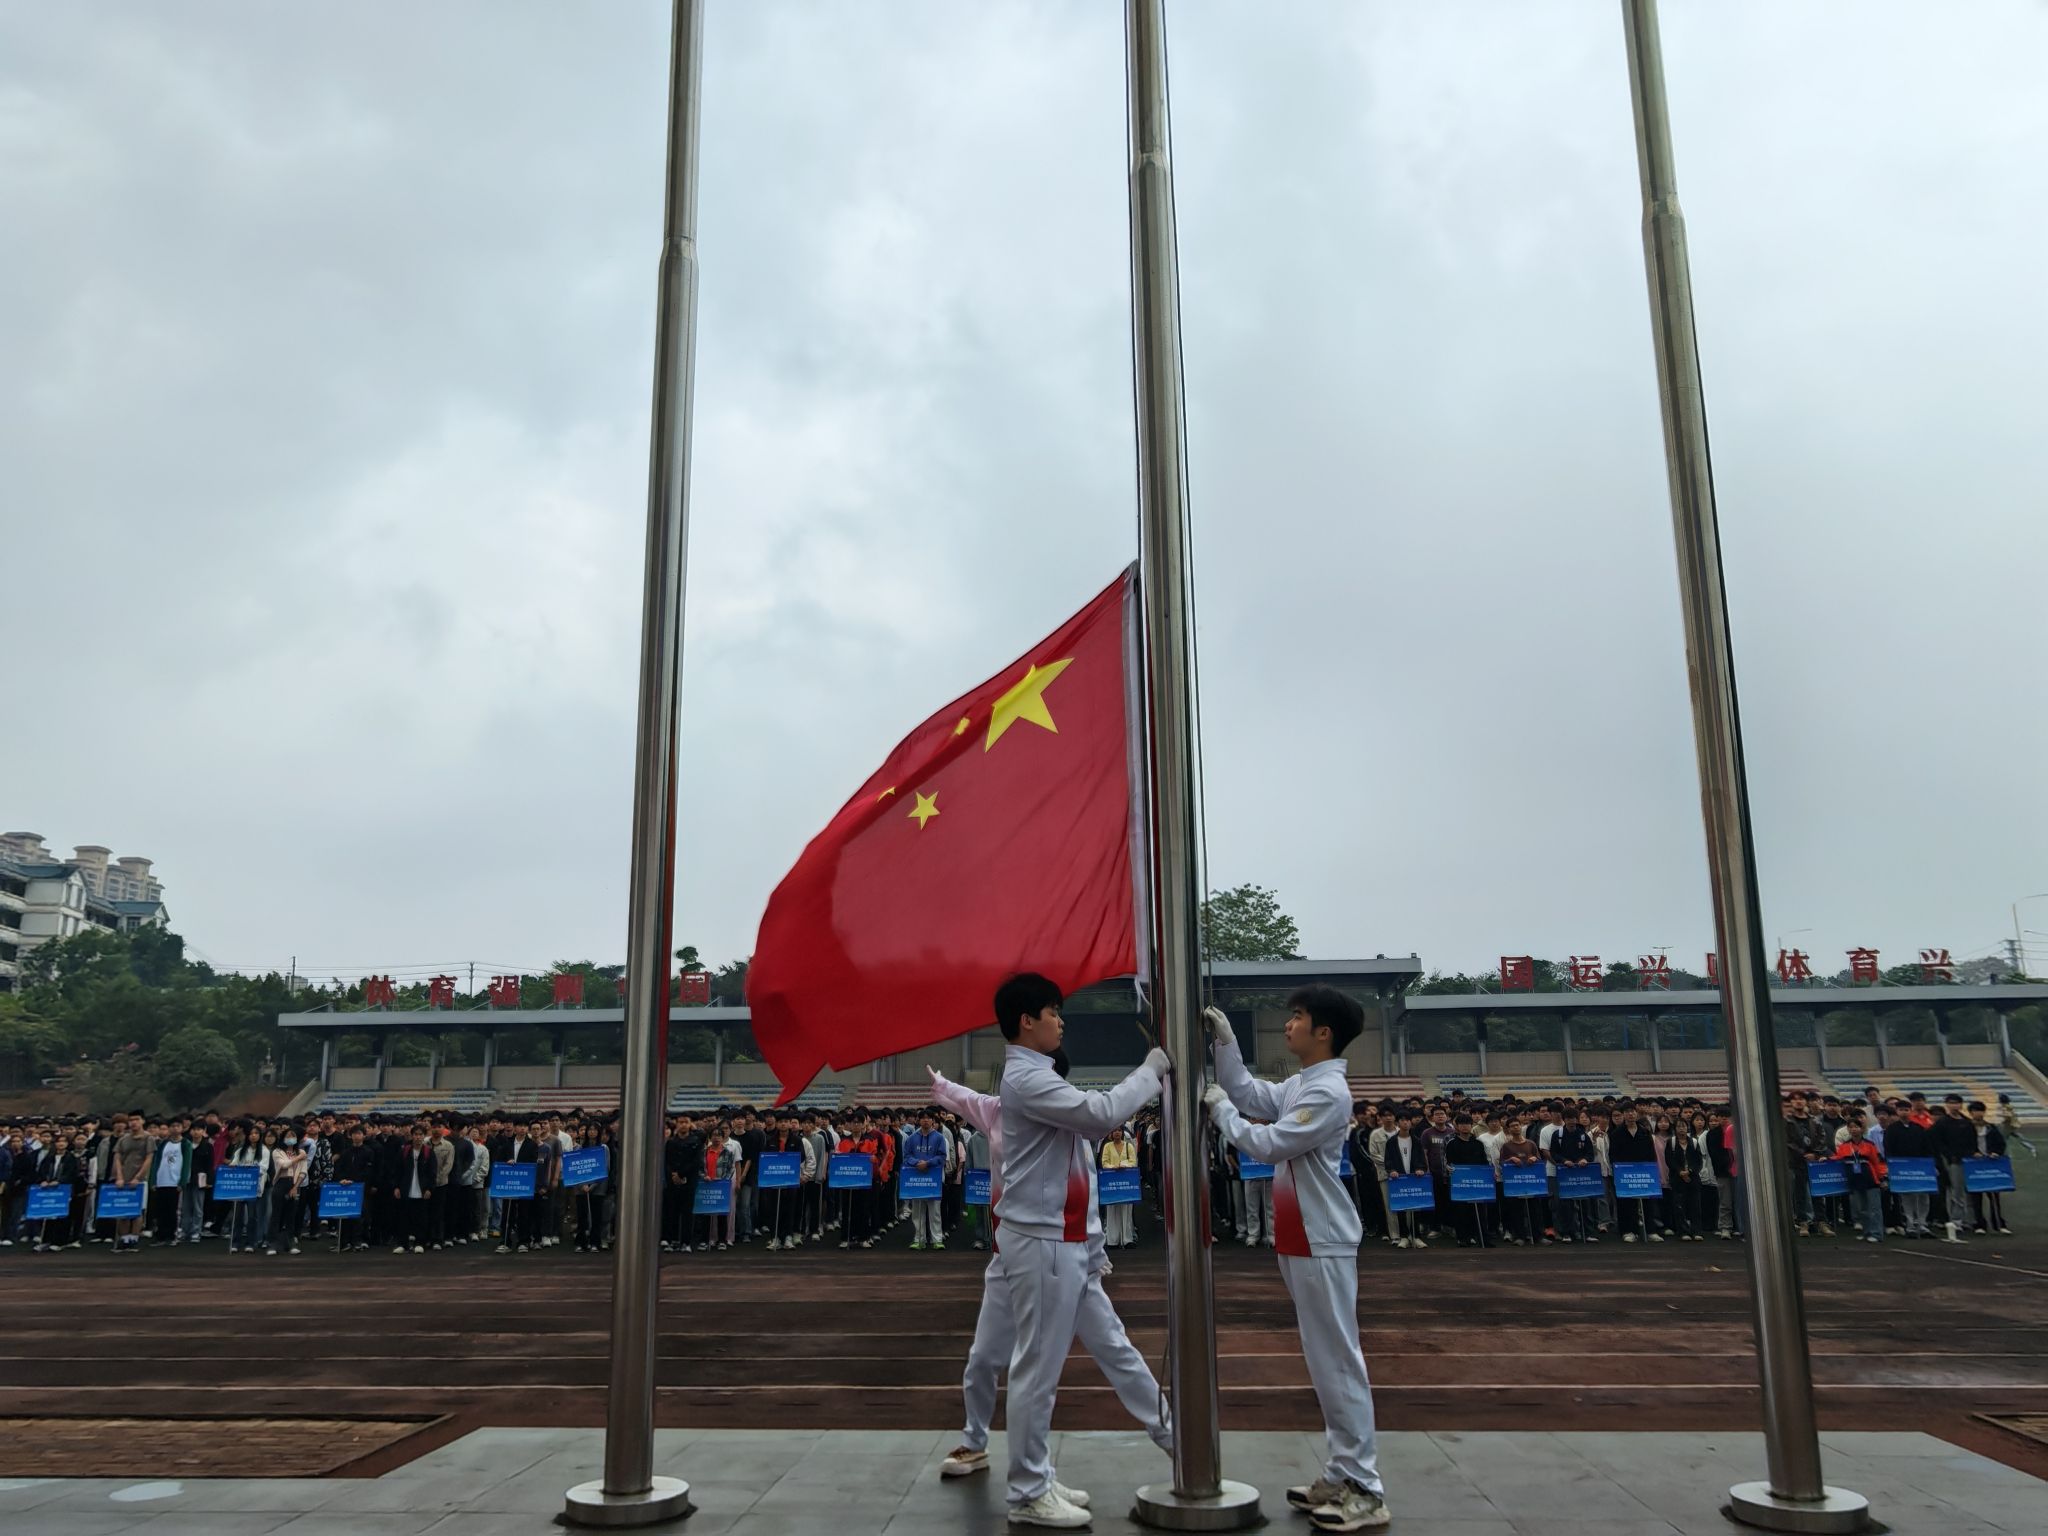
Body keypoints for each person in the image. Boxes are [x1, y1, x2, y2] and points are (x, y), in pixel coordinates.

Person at [928, 1051, 1172, 1490]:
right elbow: (966, 1099)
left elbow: (1085, 1195)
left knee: (1114, 1350)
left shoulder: (1070, 1129)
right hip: (1010, 1257)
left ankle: (1172, 1436)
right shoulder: (999, 1112)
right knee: (983, 1357)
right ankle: (974, 1440)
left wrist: (1094, 1256)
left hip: (1064, 1256)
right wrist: (941, 1084)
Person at [1205, 989, 1388, 1532]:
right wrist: (1226, 1044)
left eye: (1298, 1017)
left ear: (1323, 1032)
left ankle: (1366, 1487)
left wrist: (1219, 1111)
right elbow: (1249, 1092)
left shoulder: (1328, 1090)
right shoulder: (1302, 1083)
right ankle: (1341, 1472)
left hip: (1321, 1235)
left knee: (1338, 1361)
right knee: (1325, 1361)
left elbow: (1269, 1144)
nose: (1289, 1025)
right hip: (1301, 1234)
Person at [991, 971, 1167, 1529]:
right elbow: (1099, 1116)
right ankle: (1027, 1489)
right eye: (1053, 1012)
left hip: (1065, 1241)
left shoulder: (1037, 1074)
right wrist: (1152, 1070)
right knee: (1038, 1370)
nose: (1061, 1022)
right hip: (1043, 1242)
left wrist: (1091, 1246)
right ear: (1027, 1021)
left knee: (1115, 1347)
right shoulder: (1026, 1077)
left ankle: (1174, 1437)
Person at [905, 1109, 947, 1252]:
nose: (926, 1120)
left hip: (933, 1178)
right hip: (916, 1178)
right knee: (917, 1211)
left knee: (935, 1211)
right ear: (919, 1121)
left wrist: (928, 1163)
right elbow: (906, 1156)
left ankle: (937, 1239)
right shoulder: (912, 1138)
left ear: (933, 1121)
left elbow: (942, 1156)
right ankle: (919, 1239)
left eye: (928, 1118)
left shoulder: (939, 1138)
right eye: (923, 1118)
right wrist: (917, 1163)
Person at [1099, 1125, 1137, 1249]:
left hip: (1126, 1181)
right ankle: (1112, 1240)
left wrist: (1124, 1165)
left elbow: (1133, 1162)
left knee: (1126, 1209)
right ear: (1111, 1133)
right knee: (1112, 1209)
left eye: (1119, 1130)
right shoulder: (1107, 1146)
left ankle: (1127, 1239)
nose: (1117, 1133)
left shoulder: (1129, 1146)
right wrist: (1113, 1167)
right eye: (1115, 1130)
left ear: (1122, 1133)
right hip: (1112, 1180)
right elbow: (1104, 1163)